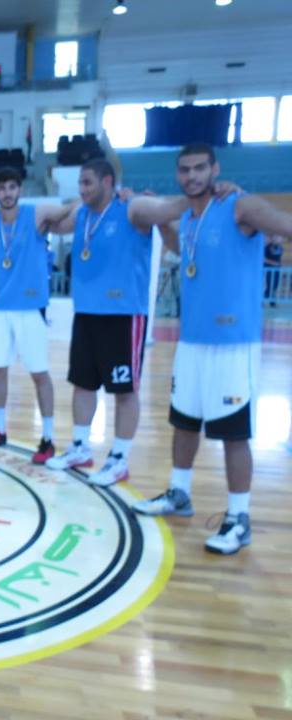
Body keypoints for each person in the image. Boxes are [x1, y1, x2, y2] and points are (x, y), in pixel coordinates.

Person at [132, 143, 292, 555]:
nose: (192, 176)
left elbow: (284, 224)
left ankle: (239, 518)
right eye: (185, 170)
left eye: (199, 168)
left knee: (234, 435)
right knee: (184, 423)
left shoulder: (240, 206)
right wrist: (160, 219)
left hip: (233, 345)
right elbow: (178, 247)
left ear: (215, 169)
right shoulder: (188, 217)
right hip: (192, 343)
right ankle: (179, 493)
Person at [43, 159, 173, 486]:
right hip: (86, 313)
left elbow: (167, 212)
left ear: (107, 181)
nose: (82, 188)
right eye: (80, 183)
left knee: (124, 390)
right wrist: (71, 204)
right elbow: (52, 224)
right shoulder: (82, 214)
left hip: (123, 315)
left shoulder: (131, 208)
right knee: (83, 384)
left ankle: (119, 459)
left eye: (87, 182)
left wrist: (149, 199)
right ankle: (80, 447)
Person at [0, 168, 72, 462]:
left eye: (11, 187)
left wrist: (94, 198)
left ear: (20, 189)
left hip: (30, 308)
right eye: (1, 188)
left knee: (39, 374)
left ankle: (48, 438)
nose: (7, 193)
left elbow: (66, 212)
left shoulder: (36, 213)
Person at [264, 235, 283, 306]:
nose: (279, 239)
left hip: (277, 269)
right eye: (277, 238)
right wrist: (272, 263)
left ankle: (266, 297)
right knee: (270, 284)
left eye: (280, 238)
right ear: (273, 239)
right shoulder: (267, 247)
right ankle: (271, 301)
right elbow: (263, 259)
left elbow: (278, 258)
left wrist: (279, 264)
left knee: (275, 285)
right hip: (269, 269)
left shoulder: (280, 248)